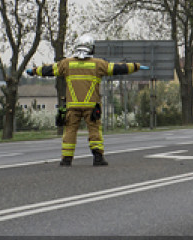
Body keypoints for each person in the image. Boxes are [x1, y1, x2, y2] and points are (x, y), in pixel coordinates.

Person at [25, 34, 140, 167]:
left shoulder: (66, 64)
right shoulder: (98, 64)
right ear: (91, 48)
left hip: (72, 105)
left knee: (70, 131)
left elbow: (48, 70)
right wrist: (135, 66)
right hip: (91, 106)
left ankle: (66, 159)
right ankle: (98, 158)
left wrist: (33, 71)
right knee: (94, 130)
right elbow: (118, 68)